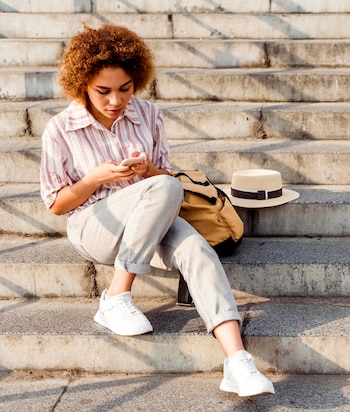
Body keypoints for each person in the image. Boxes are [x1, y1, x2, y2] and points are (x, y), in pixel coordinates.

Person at [39, 24, 274, 398]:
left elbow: (165, 177)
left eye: (125, 89)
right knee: (167, 186)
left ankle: (237, 362)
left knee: (196, 246)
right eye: (103, 91)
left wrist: (148, 171)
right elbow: (56, 203)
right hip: (94, 225)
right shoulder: (61, 128)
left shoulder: (148, 115)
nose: (116, 100)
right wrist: (97, 177)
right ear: (82, 82)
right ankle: (117, 296)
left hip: (151, 221)